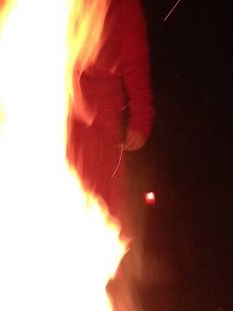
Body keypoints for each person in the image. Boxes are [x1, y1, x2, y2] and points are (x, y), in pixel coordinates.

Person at [69, 0, 155, 221]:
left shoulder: (122, 4)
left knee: (102, 202)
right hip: (54, 109)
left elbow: (135, 57)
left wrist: (141, 115)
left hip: (101, 116)